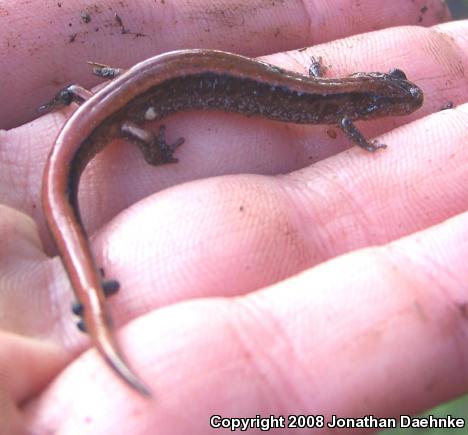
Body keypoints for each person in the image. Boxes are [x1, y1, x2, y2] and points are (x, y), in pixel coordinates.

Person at [0, 1, 467, 433]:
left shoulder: (335, 97)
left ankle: (87, 113)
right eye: (395, 102)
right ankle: (103, 291)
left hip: (127, 94)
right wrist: (156, 152)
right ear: (370, 105)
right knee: (137, 127)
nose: (403, 104)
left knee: (130, 111)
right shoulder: (345, 111)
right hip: (126, 108)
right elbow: (351, 130)